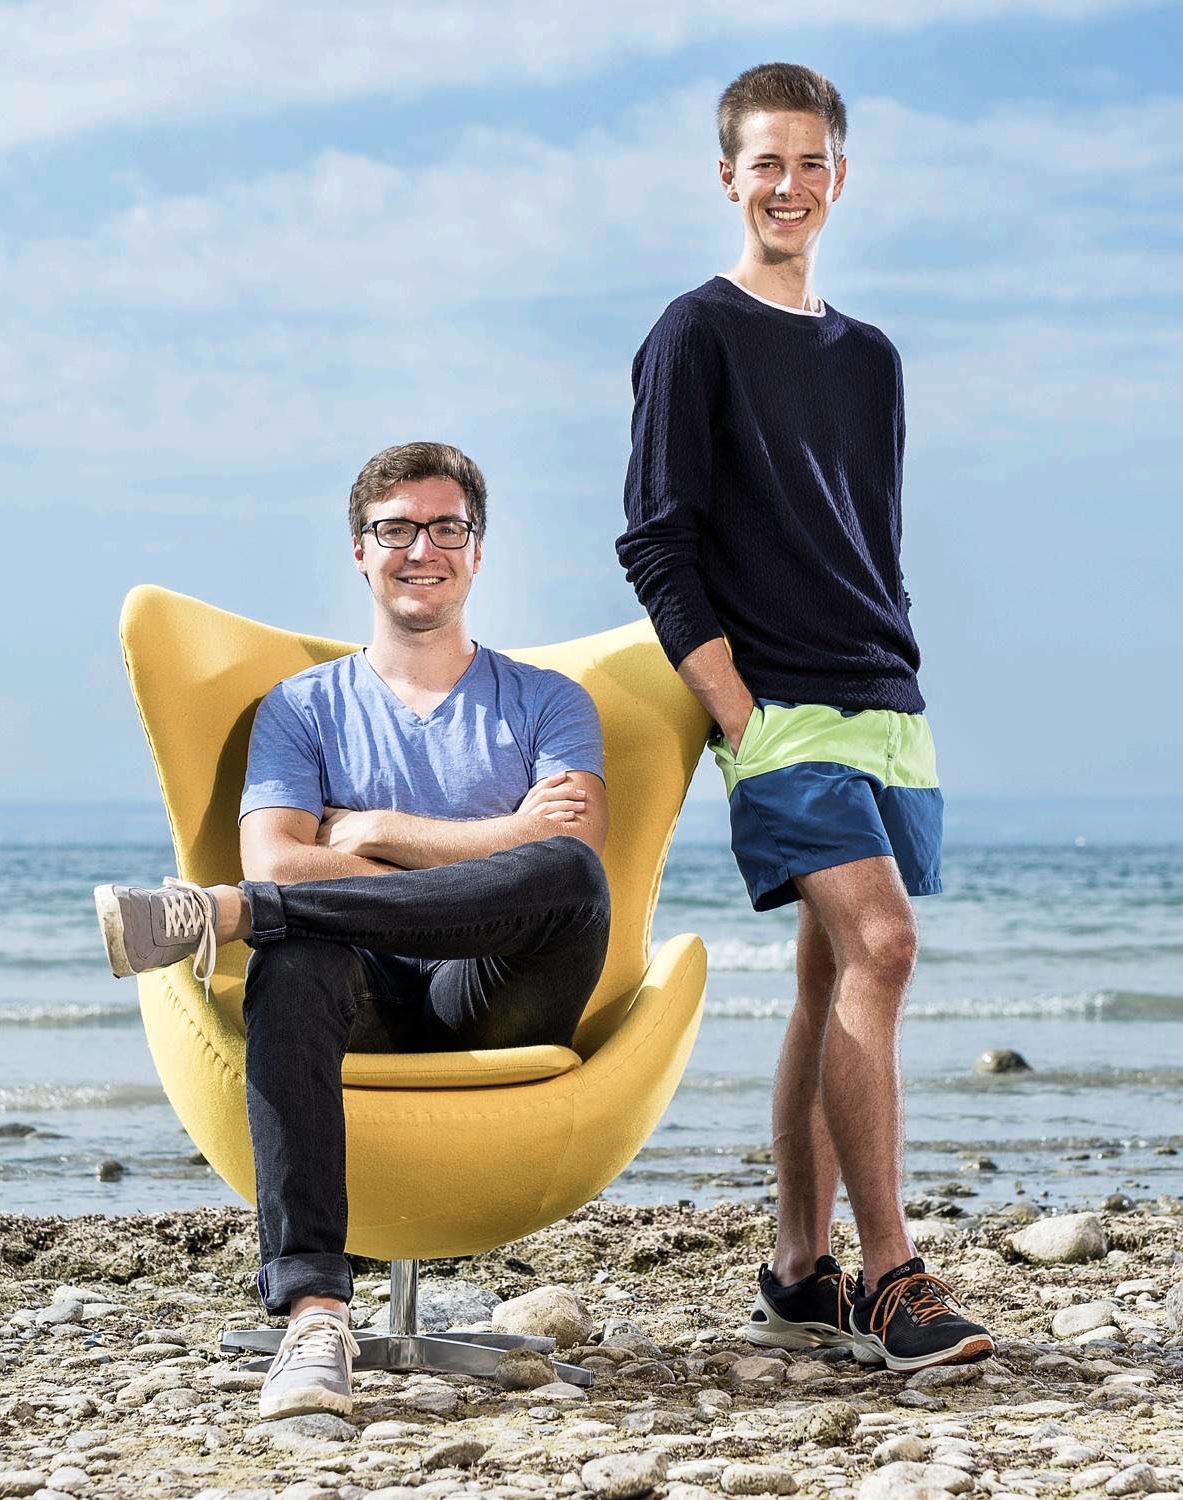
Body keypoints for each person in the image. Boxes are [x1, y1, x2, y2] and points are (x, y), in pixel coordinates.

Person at [95, 441, 610, 1417]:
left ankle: (229, 924)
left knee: (567, 875)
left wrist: (373, 831)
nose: (424, 548)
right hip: (354, 996)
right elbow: (276, 858)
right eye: (397, 529)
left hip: (496, 998)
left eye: (446, 527)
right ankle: (316, 1321)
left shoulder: (549, 701)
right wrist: (491, 840)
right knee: (294, 951)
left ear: (479, 549)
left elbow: (566, 857)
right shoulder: (301, 709)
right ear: (361, 552)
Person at [615, 63, 993, 1372]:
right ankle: (893, 1280)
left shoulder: (870, 357)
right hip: (775, 704)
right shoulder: (691, 335)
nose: (788, 186)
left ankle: (795, 1270)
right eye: (763, 164)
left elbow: (868, 540)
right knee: (882, 944)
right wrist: (734, 712)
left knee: (836, 971)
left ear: (840, 176)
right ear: (728, 177)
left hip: (886, 696)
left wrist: (894, 655)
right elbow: (658, 541)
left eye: (811, 162)